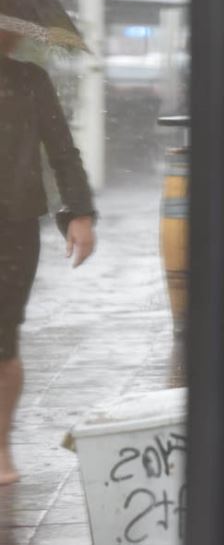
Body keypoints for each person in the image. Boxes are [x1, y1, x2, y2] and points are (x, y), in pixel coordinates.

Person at [0, 30, 97, 485]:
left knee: (3, 340)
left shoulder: (29, 81)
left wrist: (79, 212)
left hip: (13, 227)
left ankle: (0, 447)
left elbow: (62, 150)